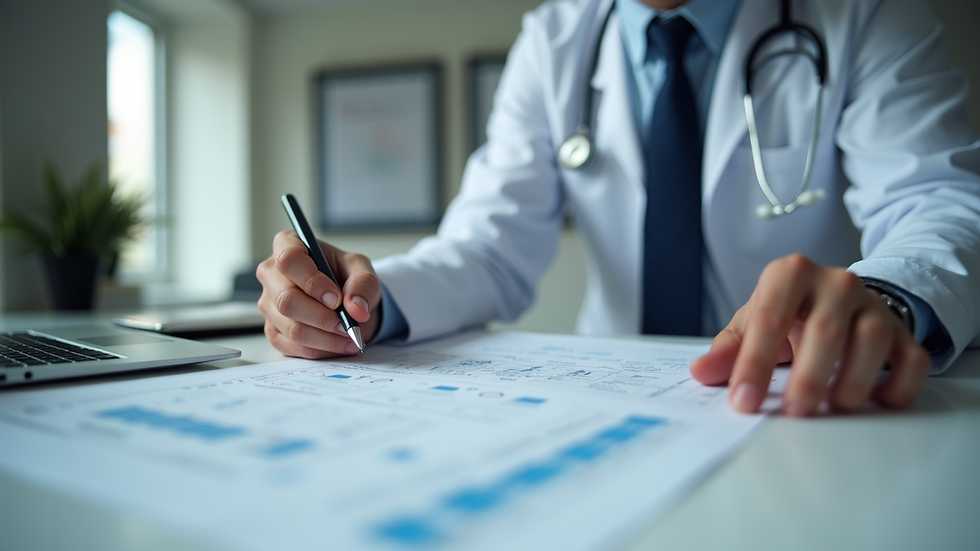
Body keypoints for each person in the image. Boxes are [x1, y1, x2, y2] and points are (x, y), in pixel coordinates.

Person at [257, 0, 980, 417]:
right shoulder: (554, 40)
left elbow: (939, 197)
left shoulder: (863, 14)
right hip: (614, 401)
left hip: (793, 392)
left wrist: (884, 291)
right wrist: (369, 300)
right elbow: (488, 246)